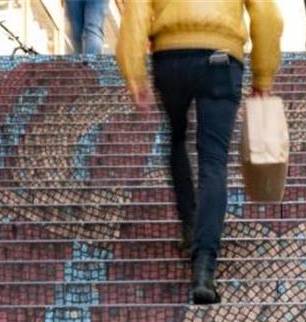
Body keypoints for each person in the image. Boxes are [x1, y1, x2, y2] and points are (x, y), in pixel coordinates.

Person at [117, 1, 283, 305]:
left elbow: (137, 10)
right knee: (213, 160)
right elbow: (267, 14)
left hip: (170, 58)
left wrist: (133, 73)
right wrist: (263, 75)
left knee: (177, 137)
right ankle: (204, 268)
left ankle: (190, 227)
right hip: (221, 57)